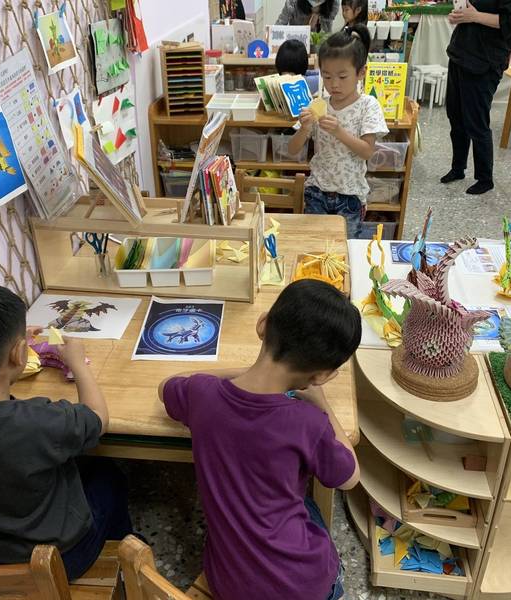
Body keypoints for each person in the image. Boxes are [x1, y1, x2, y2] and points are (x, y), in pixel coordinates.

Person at [159, 279, 361, 600]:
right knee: (307, 504)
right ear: (322, 375)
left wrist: (243, 372)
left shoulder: (202, 395)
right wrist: (323, 404)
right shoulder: (309, 422)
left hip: (231, 586)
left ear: (262, 324)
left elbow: (169, 385)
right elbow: (349, 477)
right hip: (304, 585)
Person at [0, 282, 132, 580]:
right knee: (108, 475)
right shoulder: (38, 421)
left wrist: (4, 354)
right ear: (20, 354)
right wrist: (78, 364)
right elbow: (98, 419)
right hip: (65, 558)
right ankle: (125, 553)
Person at [289, 24, 389, 238]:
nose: (333, 84)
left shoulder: (368, 106)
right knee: (314, 246)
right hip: (317, 191)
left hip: (351, 195)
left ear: (361, 72)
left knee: (344, 250)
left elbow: (367, 152)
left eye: (342, 77)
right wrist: (304, 128)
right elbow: (292, 150)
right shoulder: (318, 104)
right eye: (326, 76)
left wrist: (339, 132)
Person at [441, 0, 511, 195]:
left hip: (485, 61)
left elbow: (510, 23)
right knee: (455, 116)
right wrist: (459, 15)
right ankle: (458, 168)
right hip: (460, 52)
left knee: (476, 122)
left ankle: (484, 177)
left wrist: (475, 16)